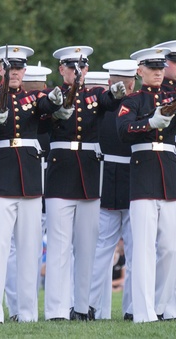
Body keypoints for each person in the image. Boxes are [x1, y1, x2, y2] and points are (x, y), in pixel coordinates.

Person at [117, 46, 176, 322]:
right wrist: (149, 123)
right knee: (144, 249)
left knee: (173, 246)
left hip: (170, 175)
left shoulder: (174, 96)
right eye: (152, 69)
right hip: (144, 174)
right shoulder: (132, 101)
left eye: (160, 69)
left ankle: (159, 305)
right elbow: (123, 130)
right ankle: (144, 313)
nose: (158, 73)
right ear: (140, 71)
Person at [0, 44, 60, 324]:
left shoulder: (33, 98)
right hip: (1, 180)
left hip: (30, 180)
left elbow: (47, 111)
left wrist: (58, 100)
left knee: (30, 251)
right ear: (1, 70)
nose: (16, 73)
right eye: (10, 68)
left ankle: (28, 313)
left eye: (20, 68)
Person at [43, 46, 125, 322]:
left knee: (88, 245)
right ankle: (56, 309)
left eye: (82, 67)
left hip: (89, 173)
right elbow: (42, 119)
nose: (77, 72)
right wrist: (55, 106)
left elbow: (110, 102)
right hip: (60, 172)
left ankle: (82, 307)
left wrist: (116, 91)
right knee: (59, 245)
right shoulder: (50, 96)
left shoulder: (95, 95)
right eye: (70, 67)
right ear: (61, 69)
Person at [91, 58, 139, 321]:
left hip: (125, 179)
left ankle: (101, 308)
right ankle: (99, 307)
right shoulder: (105, 105)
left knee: (118, 250)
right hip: (112, 179)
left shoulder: (134, 104)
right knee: (106, 250)